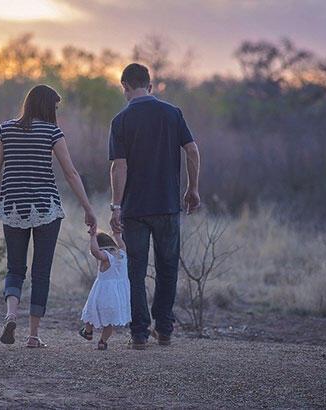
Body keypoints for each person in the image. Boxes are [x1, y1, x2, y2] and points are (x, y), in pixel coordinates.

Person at [0, 84, 97, 348]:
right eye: (55, 107)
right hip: (46, 208)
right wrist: (88, 208)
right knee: (41, 272)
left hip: (12, 207)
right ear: (47, 106)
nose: (57, 111)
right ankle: (33, 335)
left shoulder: (5, 130)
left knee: (15, 267)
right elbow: (70, 173)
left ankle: (11, 314)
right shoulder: (52, 132)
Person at [108, 63, 201, 350]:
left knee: (135, 270)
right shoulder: (172, 114)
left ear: (125, 86)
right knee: (167, 267)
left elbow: (118, 167)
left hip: (135, 209)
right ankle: (164, 329)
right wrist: (192, 188)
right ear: (150, 85)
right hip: (167, 205)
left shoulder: (121, 120)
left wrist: (115, 206)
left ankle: (139, 333)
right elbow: (192, 151)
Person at [79, 230, 131, 350]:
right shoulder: (122, 254)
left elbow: (95, 252)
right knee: (109, 322)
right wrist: (117, 235)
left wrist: (92, 237)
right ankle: (102, 341)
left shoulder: (106, 257)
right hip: (118, 296)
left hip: (103, 293)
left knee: (91, 311)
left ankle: (88, 332)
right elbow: (122, 245)